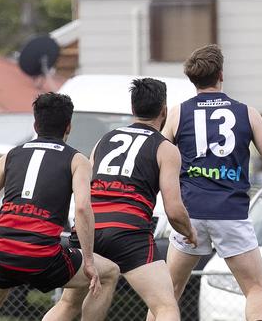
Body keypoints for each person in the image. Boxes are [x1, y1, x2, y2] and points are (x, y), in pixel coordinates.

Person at [159, 44, 262, 321]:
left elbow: (157, 158)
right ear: (221, 74)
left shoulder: (176, 113)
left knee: (167, 295)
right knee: (256, 291)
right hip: (230, 214)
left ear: (192, 79)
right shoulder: (247, 113)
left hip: (190, 213)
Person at [46, 78, 198, 321]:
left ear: (132, 109)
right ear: (164, 111)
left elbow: (86, 189)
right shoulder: (166, 148)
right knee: (165, 307)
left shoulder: (104, 141)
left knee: (68, 303)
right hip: (129, 234)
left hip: (90, 231)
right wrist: (189, 232)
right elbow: (173, 208)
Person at [0, 93, 119, 321]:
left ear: (35, 124)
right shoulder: (77, 160)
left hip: (2, 252)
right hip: (42, 256)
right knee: (109, 273)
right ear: (69, 127)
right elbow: (82, 209)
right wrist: (90, 262)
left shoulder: (10, 156)